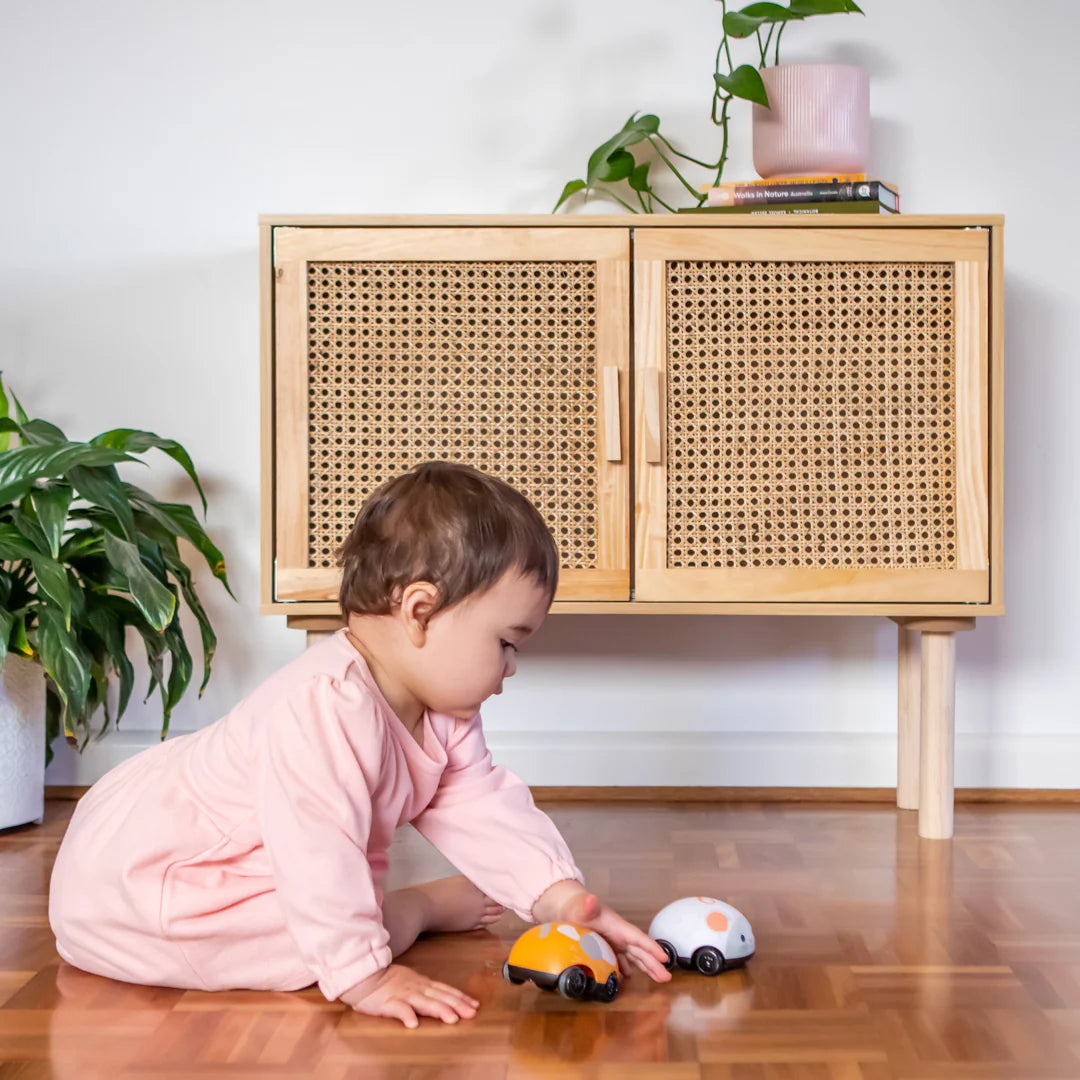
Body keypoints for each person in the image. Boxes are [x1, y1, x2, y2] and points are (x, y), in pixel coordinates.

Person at [49, 460, 671, 1028]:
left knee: (332, 914)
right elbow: (318, 854)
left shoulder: (443, 711)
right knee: (320, 936)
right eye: (506, 643)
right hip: (139, 885)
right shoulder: (325, 704)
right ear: (420, 612)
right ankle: (417, 910)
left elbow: (482, 806)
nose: (511, 667)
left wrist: (560, 897)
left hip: (239, 863)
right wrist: (365, 975)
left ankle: (384, 920)